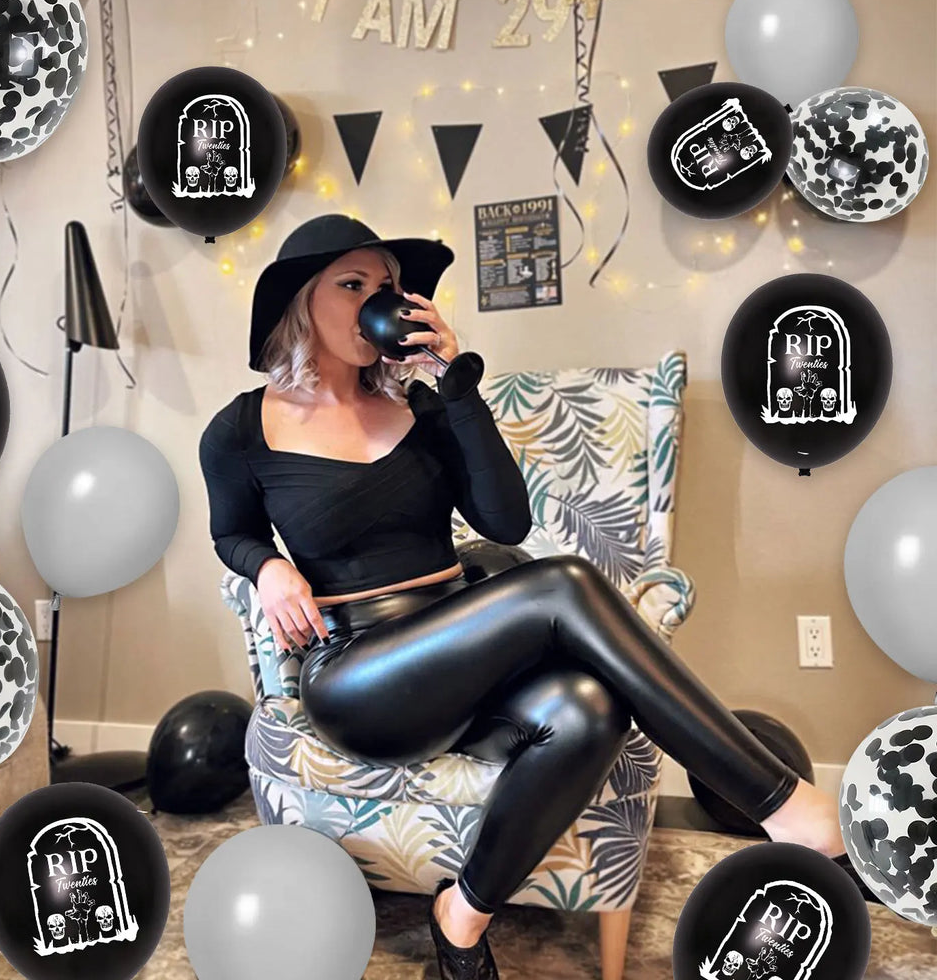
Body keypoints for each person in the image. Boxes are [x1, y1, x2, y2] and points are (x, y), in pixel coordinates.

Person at [199, 214, 869, 980]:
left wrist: (455, 387)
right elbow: (231, 531)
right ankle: (783, 805)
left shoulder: (423, 407)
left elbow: (505, 521)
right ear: (302, 301)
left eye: (387, 286)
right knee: (563, 584)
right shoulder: (240, 430)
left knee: (589, 708)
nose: (377, 301)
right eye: (352, 285)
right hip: (360, 673)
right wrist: (267, 567)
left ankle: (462, 915)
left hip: (461, 647)